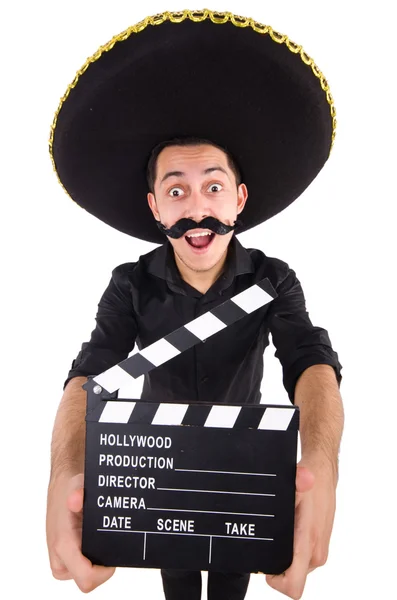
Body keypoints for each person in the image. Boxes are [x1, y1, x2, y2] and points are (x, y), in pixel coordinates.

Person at [46, 10, 344, 600]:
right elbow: (93, 371)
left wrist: (324, 466)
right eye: (176, 191)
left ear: (240, 199)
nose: (196, 208)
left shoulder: (273, 280)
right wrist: (63, 472)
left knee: (233, 587)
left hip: (244, 472)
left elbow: (309, 361)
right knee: (178, 587)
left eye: (212, 186)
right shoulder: (131, 285)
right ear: (156, 209)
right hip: (158, 480)